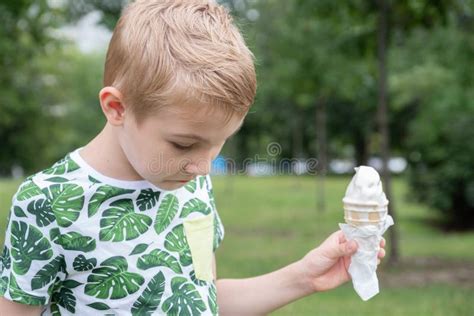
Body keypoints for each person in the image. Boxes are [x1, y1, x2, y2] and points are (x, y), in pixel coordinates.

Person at [0, 0, 386, 315]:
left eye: (218, 143)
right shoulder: (46, 202)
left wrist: (306, 276)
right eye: (184, 144)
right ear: (117, 108)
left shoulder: (191, 181)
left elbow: (201, 298)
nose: (203, 166)